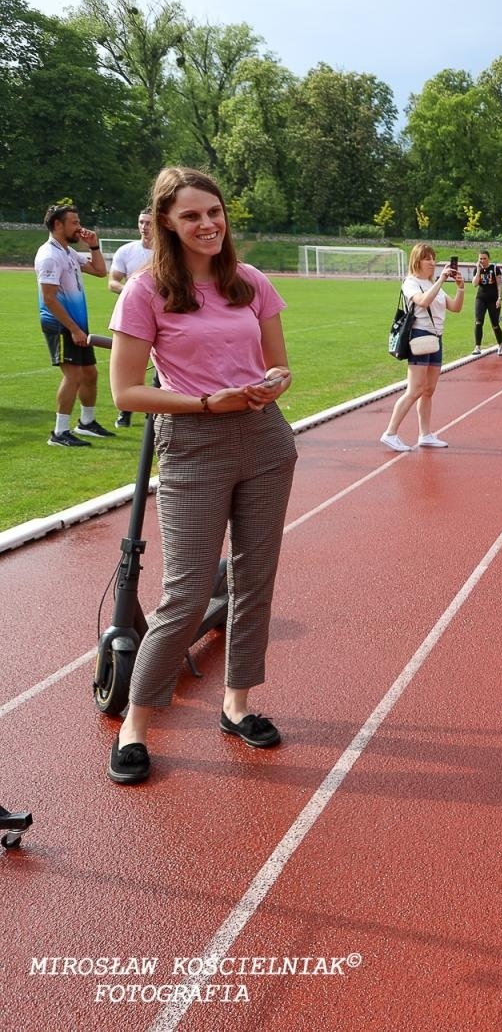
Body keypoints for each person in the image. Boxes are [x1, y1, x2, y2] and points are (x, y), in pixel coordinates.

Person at [105, 167, 297, 784]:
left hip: (265, 440)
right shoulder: (145, 291)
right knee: (186, 591)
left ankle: (237, 703)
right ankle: (137, 722)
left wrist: (272, 385)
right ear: (166, 222)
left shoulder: (250, 283)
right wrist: (208, 403)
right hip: (191, 443)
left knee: (255, 575)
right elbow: (127, 391)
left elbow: (279, 364)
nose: (208, 225)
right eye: (192, 216)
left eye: (214, 212)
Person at [36, 201, 111, 447]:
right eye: (75, 223)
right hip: (60, 325)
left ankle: (86, 424)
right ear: (58, 225)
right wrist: (73, 329)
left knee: (90, 373)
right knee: (74, 375)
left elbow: (100, 272)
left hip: (77, 324)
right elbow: (49, 298)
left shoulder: (68, 252)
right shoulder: (49, 255)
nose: (80, 227)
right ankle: (59, 433)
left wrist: (94, 246)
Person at [381, 244, 464, 452]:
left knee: (428, 391)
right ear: (417, 260)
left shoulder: (432, 283)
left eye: (434, 259)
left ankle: (425, 434)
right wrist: (442, 280)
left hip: (436, 339)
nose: (432, 263)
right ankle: (390, 433)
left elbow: (455, 307)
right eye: (428, 259)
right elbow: (423, 302)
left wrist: (461, 288)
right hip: (419, 337)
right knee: (415, 389)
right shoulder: (411, 283)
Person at [109, 209, 156, 428]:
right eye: (141, 222)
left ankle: (155, 412)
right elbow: (113, 282)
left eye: (148, 222)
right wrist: (132, 292)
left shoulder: (166, 252)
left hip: (161, 316)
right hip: (134, 317)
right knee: (130, 368)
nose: (144, 226)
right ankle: (124, 413)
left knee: (161, 365)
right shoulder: (126, 251)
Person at [470, 250, 502, 356]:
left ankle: (500, 345)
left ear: (488, 258)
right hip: (481, 299)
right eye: (480, 258)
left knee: (495, 324)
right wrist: (479, 271)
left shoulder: (495, 269)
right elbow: (474, 284)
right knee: (478, 322)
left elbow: (499, 285)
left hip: (493, 300)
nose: (482, 260)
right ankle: (477, 347)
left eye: (484, 258)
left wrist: (499, 298)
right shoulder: (477, 269)